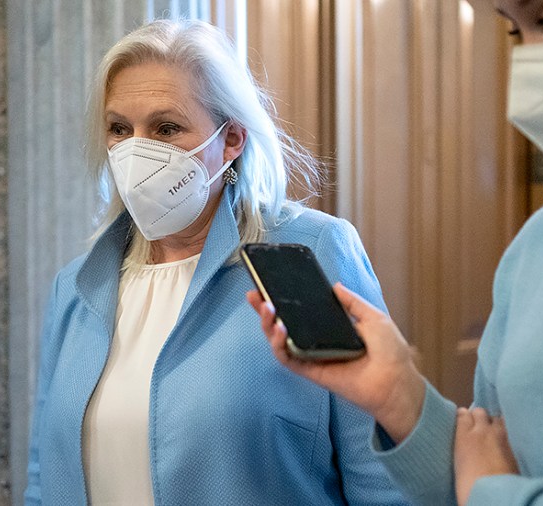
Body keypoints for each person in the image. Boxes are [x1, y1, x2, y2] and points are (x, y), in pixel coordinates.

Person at [248, 0, 543, 504]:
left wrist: (492, 492)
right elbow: (480, 461)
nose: (532, 57)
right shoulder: (542, 240)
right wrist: (401, 396)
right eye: (514, 32)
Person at [24, 19, 406, 505]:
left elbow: (379, 476)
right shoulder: (76, 286)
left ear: (231, 141)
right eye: (120, 128)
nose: (137, 149)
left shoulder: (310, 252)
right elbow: (44, 477)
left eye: (167, 128)